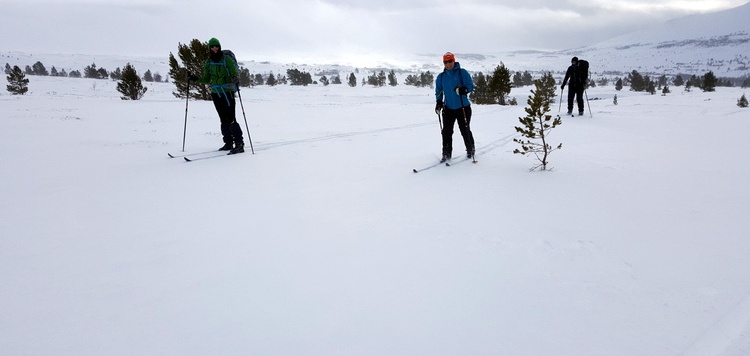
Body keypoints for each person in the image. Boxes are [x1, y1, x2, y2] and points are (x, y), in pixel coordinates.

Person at [189, 37, 244, 154]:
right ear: (209, 48)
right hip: (215, 93)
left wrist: (235, 78)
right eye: (212, 46)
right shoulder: (208, 62)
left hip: (227, 92)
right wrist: (195, 78)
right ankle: (228, 143)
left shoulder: (227, 59)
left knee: (231, 118)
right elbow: (207, 78)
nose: (215, 48)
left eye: (216, 46)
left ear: (220, 46)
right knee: (223, 119)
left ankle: (239, 144)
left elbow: (234, 71)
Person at [435, 52, 475, 162]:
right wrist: (439, 102)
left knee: (464, 129)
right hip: (448, 108)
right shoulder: (441, 77)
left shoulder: (462, 73)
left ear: (454, 61)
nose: (448, 64)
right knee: (446, 131)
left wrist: (464, 89)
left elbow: (470, 86)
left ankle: (470, 149)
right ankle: (446, 153)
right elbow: (439, 92)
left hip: (463, 107)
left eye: (450, 61)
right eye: (445, 62)